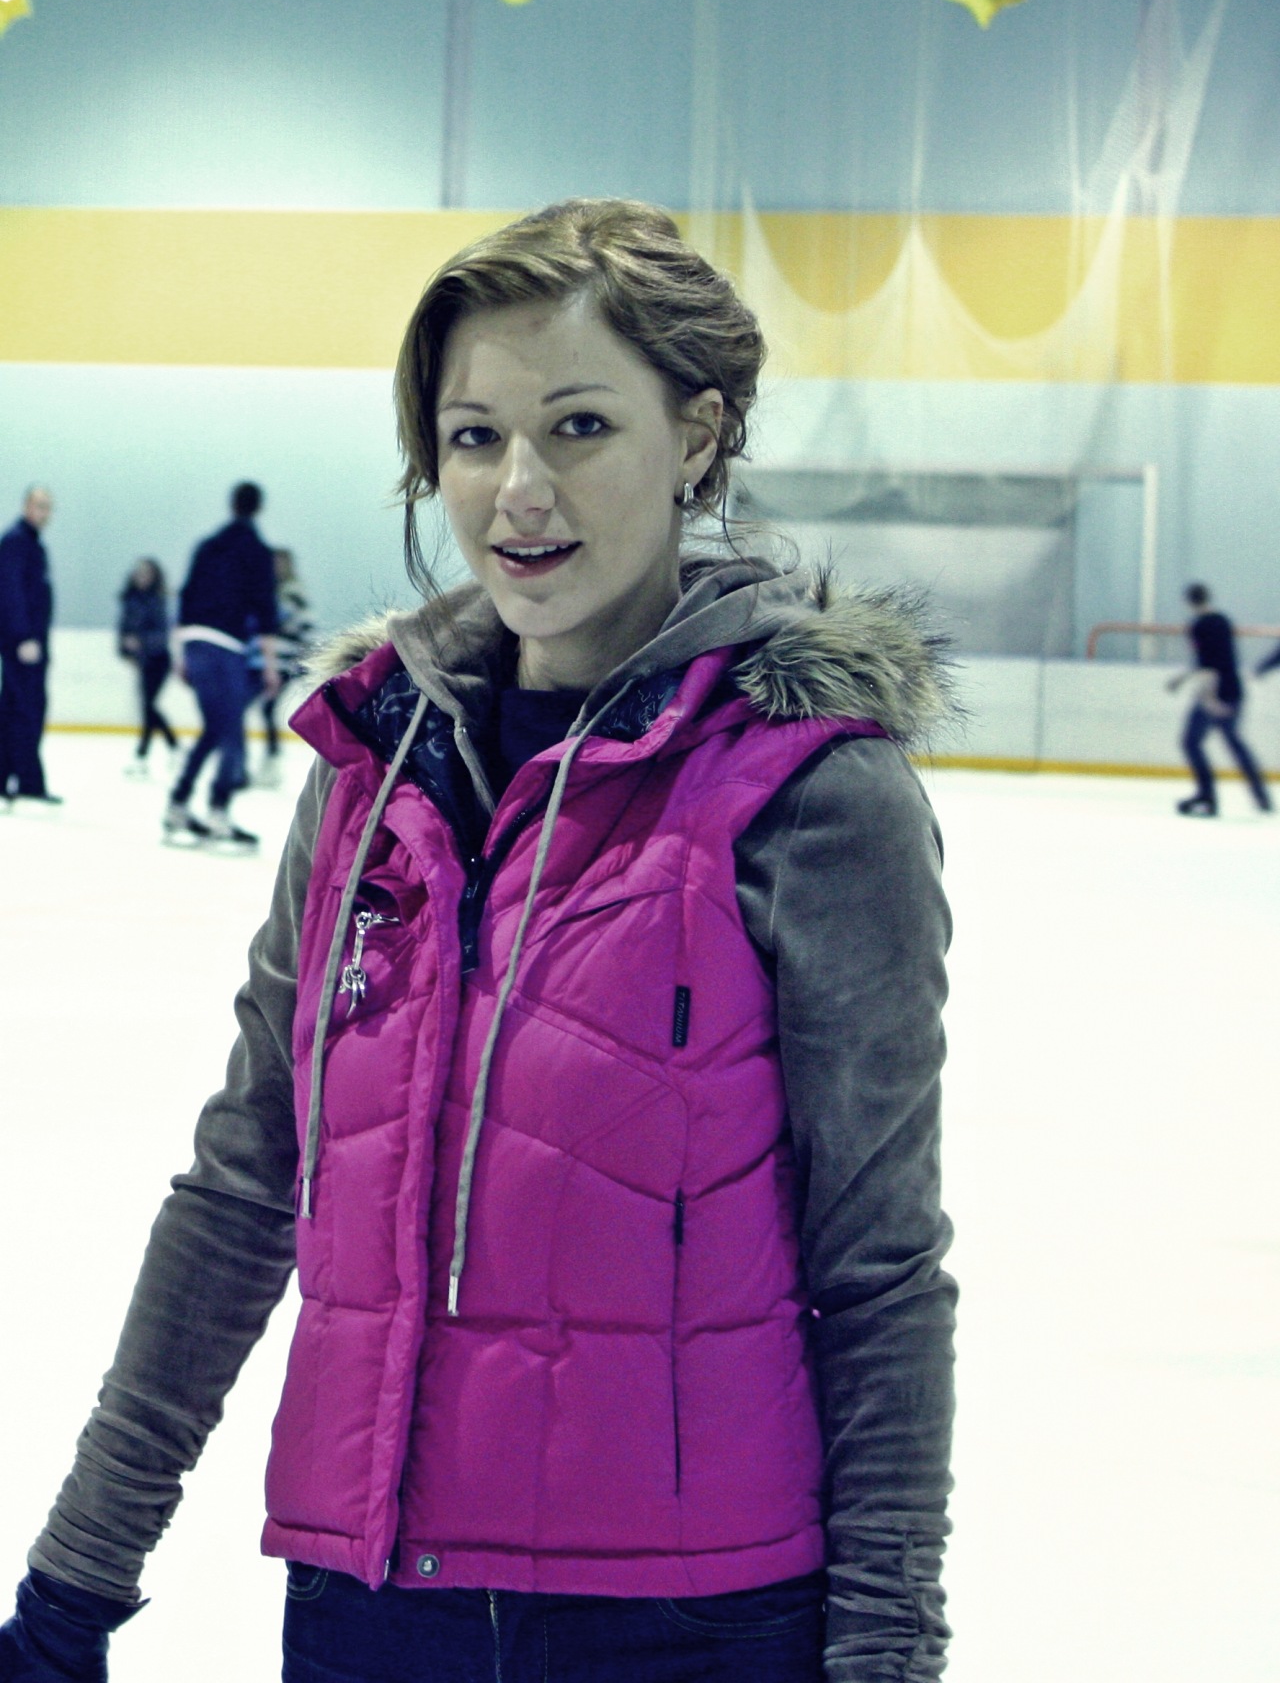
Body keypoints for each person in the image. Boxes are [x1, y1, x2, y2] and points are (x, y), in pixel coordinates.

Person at [0, 201, 957, 1683]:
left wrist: (888, 1655)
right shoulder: (371, 771)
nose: (519, 489)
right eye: (472, 436)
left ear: (697, 437)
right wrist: (73, 1585)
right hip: (369, 1607)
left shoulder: (811, 792)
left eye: (579, 426)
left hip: (686, 1629)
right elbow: (246, 1182)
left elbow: (879, 1267)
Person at [164, 483, 280, 848]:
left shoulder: (207, 546)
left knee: (216, 727)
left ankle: (178, 804)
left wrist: (181, 653)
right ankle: (219, 811)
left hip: (195, 642)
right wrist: (270, 665)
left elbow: (185, 597)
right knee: (231, 731)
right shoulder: (258, 552)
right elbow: (265, 610)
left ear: (232, 504)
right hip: (226, 646)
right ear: (258, 507)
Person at [1167, 581, 1273, 816]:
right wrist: (1182, 678)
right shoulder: (1223, 620)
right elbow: (1219, 658)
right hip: (1234, 690)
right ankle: (1261, 796)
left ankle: (1207, 796)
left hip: (1215, 692)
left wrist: (1210, 699)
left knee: (1190, 741)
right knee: (1234, 743)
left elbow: (1209, 667)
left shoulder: (1197, 626)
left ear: (1188, 602)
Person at [0, 485, 60, 805]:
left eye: (48, 507)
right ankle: (24, 781)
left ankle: (24, 780)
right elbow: (10, 592)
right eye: (39, 505)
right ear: (26, 506)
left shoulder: (33, 544)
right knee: (23, 711)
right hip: (22, 644)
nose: (44, 512)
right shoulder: (16, 542)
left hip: (34, 643)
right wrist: (23, 637)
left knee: (21, 709)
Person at [250, 548, 315, 787]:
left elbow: (303, 626)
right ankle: (270, 761)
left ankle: (272, 763)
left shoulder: (293, 593)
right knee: (265, 709)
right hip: (270, 662)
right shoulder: (271, 591)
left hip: (285, 663)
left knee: (267, 708)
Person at [117, 559, 179, 771]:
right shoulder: (130, 600)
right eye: (139, 573)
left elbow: (161, 634)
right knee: (147, 708)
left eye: (146, 574)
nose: (141, 577)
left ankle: (152, 752)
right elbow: (124, 629)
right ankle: (154, 752)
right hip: (142, 660)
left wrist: (140, 642)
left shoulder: (157, 600)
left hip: (158, 660)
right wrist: (126, 650)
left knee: (148, 707)